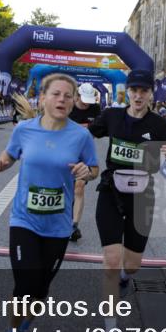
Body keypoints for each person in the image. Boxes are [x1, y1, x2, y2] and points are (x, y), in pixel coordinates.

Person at [0, 74, 98, 332]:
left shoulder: (81, 135)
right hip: (25, 220)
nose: (62, 99)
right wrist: (0, 164)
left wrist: (88, 172)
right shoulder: (24, 130)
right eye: (56, 94)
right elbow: (10, 155)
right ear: (43, 98)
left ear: (74, 102)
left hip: (58, 226)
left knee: (40, 291)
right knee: (25, 285)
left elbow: (93, 168)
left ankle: (25, 327)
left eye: (68, 96)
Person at [88, 69, 166, 332]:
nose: (138, 95)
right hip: (111, 192)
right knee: (111, 261)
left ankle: (127, 278)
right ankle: (110, 330)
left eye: (144, 91)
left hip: (142, 197)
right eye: (134, 90)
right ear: (127, 91)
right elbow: (84, 133)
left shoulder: (161, 125)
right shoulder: (112, 117)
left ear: (151, 93)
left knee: (132, 265)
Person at [68, 83, 102, 241]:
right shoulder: (68, 107)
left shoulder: (95, 109)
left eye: (89, 100)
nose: (86, 104)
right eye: (83, 100)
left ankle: (74, 225)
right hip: (65, 151)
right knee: (65, 188)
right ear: (77, 96)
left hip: (84, 153)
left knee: (79, 186)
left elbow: (101, 128)